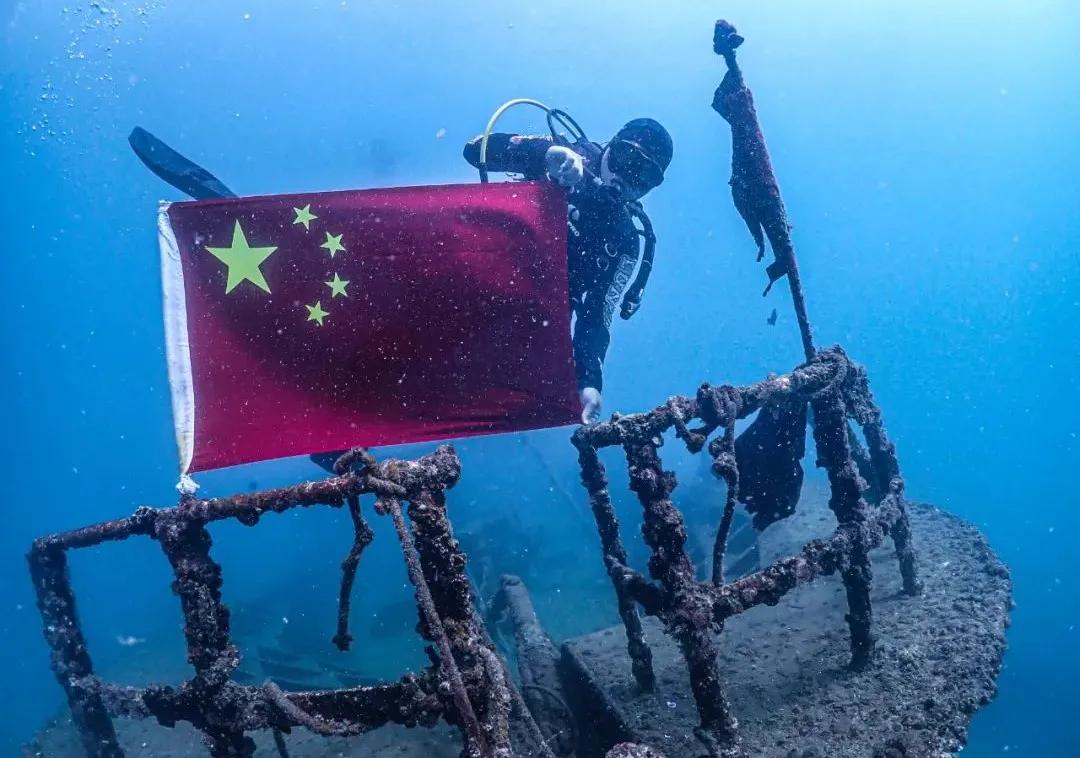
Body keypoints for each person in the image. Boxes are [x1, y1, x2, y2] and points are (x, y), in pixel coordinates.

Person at [462, 117, 673, 424]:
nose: (627, 177)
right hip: (475, 265)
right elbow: (473, 150)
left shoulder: (624, 242)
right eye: (626, 159)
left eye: (644, 175)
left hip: (516, 320)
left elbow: (596, 317)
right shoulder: (567, 157)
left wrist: (589, 384)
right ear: (611, 146)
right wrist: (545, 155)